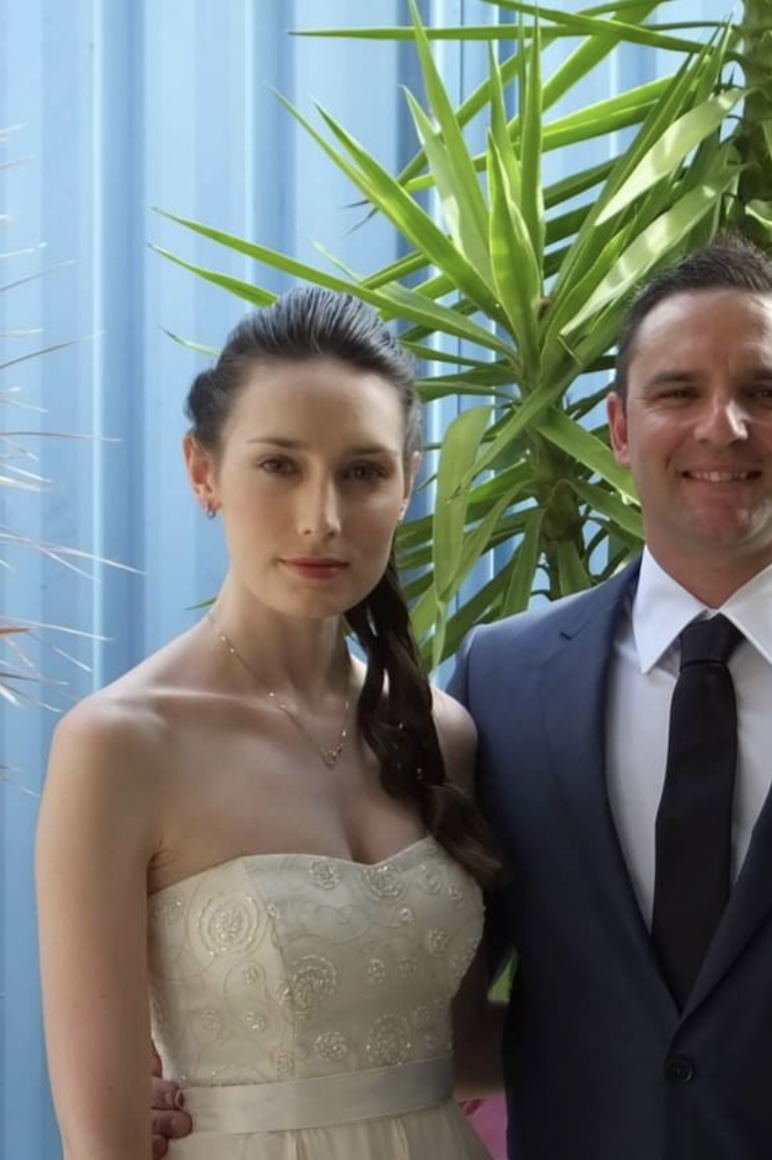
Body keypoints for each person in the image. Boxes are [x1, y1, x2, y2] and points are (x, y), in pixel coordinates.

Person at [154, 236, 772, 1158]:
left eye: (767, 390)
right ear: (621, 428)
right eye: (678, 390)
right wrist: (200, 1072)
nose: (722, 425)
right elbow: (415, 978)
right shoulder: (503, 684)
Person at [37, 288, 504, 1160]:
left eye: (363, 472)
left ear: (408, 482)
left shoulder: (442, 734)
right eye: (280, 465)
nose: (322, 517)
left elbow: (466, 1047)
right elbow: (101, 1141)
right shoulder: (120, 745)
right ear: (203, 471)